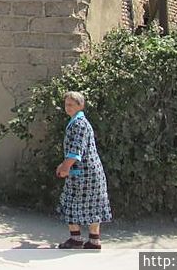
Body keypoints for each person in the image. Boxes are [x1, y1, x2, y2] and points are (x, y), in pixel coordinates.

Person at [55, 91, 112, 250]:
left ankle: (76, 239)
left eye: (71, 105)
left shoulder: (79, 124)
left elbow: (75, 150)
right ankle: (94, 240)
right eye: (66, 104)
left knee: (71, 202)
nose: (68, 107)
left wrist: (64, 167)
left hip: (83, 174)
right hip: (88, 172)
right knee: (92, 204)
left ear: (81, 106)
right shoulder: (79, 122)